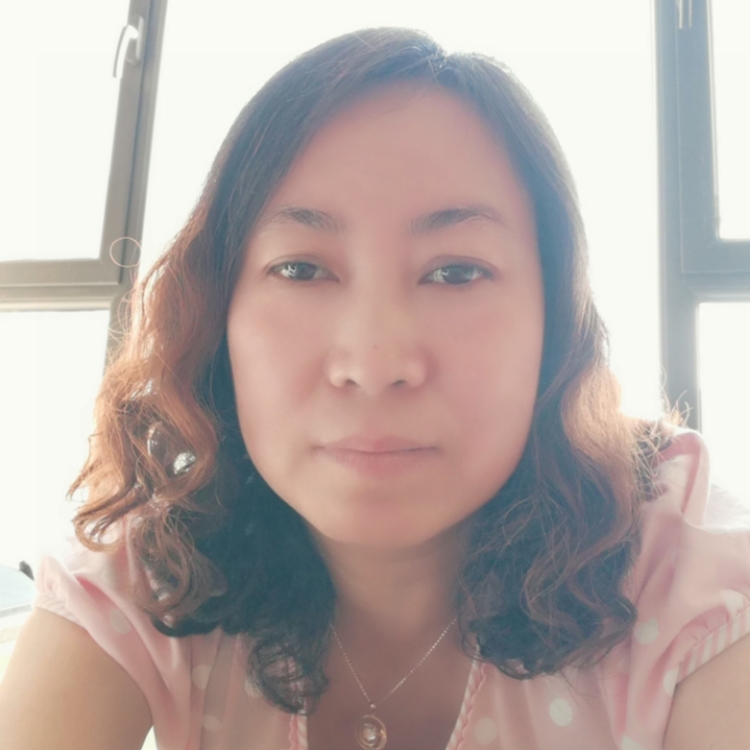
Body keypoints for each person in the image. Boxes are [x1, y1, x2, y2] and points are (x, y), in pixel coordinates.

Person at [1, 27, 750, 750]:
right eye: (301, 269)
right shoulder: (152, 570)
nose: (374, 361)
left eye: (456, 271)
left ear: (553, 324)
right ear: (218, 314)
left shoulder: (681, 577)